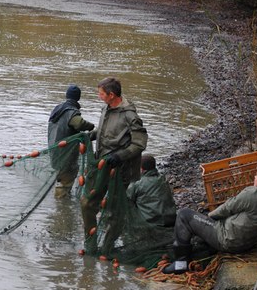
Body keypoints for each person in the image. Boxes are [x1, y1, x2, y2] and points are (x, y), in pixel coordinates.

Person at [162, 161, 257, 275]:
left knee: (184, 214)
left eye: (256, 176)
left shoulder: (254, 194)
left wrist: (208, 217)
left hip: (228, 240)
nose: (254, 178)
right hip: (247, 243)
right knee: (200, 223)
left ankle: (180, 263)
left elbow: (228, 208)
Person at [80, 77, 148, 239]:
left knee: (114, 209)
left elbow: (139, 143)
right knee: (87, 203)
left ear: (111, 95)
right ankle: (91, 239)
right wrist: (90, 136)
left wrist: (120, 156)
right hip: (101, 165)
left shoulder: (130, 116)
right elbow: (103, 130)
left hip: (120, 170)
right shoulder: (106, 108)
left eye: (101, 93)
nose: (99, 96)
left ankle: (110, 242)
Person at [47, 84, 95, 198]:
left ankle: (61, 202)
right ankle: (62, 208)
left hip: (54, 151)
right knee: (65, 182)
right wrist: (91, 126)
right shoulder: (71, 111)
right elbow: (79, 123)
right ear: (78, 97)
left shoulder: (57, 109)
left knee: (61, 179)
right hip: (66, 155)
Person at [126, 154, 177, 227]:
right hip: (171, 218)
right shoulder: (162, 178)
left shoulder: (137, 184)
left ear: (141, 169)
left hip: (152, 222)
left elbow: (127, 201)